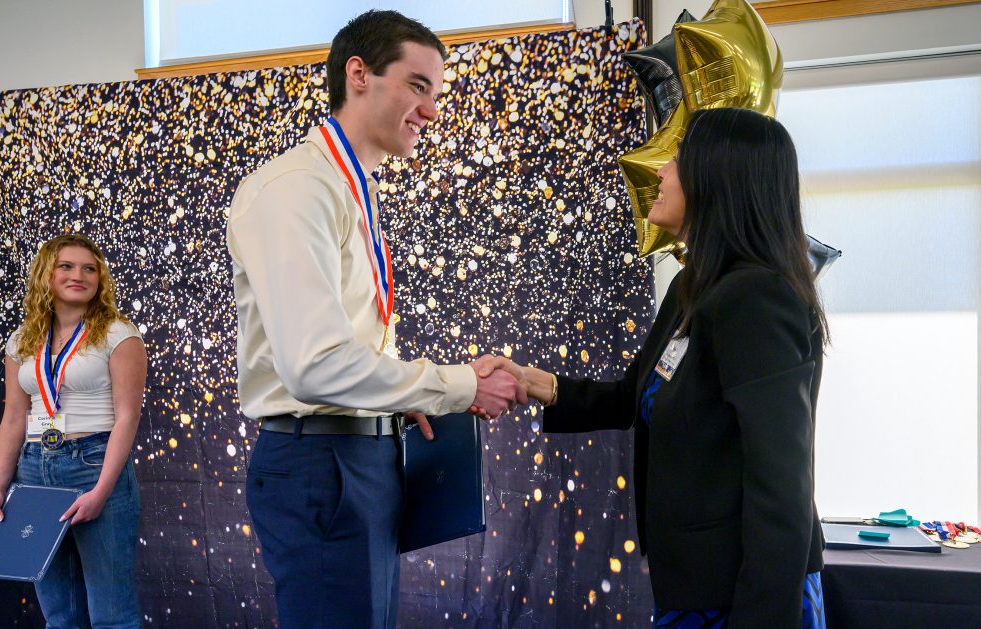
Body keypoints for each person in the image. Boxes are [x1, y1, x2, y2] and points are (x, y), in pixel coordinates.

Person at [226, 9, 525, 629]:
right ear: (358, 74)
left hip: (356, 459)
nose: (433, 111)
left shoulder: (348, 187)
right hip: (323, 465)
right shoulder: (296, 189)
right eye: (418, 86)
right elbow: (315, 366)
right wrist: (457, 384)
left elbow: (349, 346)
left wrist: (391, 397)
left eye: (436, 94)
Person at [481, 108, 829, 627]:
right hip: (693, 584)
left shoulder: (757, 298)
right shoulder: (693, 290)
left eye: (677, 159)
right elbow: (633, 396)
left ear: (718, 178)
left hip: (748, 594)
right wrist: (534, 382)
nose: (661, 172)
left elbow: (782, 485)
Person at [0, 233, 147, 628]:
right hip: (34, 471)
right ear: (46, 275)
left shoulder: (118, 333)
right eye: (67, 266)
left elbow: (127, 417)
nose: (79, 275)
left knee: (112, 615)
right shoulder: (22, 340)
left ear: (100, 279)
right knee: (59, 614)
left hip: (93, 464)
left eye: (89, 268)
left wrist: (101, 492)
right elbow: (13, 419)